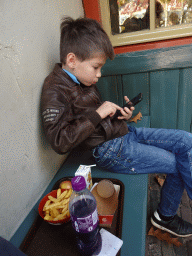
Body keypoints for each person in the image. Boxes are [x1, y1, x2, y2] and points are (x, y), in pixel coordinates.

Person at [41, 16, 192, 237]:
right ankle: (165, 217)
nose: (99, 74)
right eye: (96, 67)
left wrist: (121, 116)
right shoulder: (54, 90)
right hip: (110, 151)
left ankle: (166, 214)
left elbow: (95, 120)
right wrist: (99, 113)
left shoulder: (81, 78)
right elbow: (59, 141)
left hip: (124, 133)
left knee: (186, 140)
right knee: (179, 164)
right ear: (72, 60)